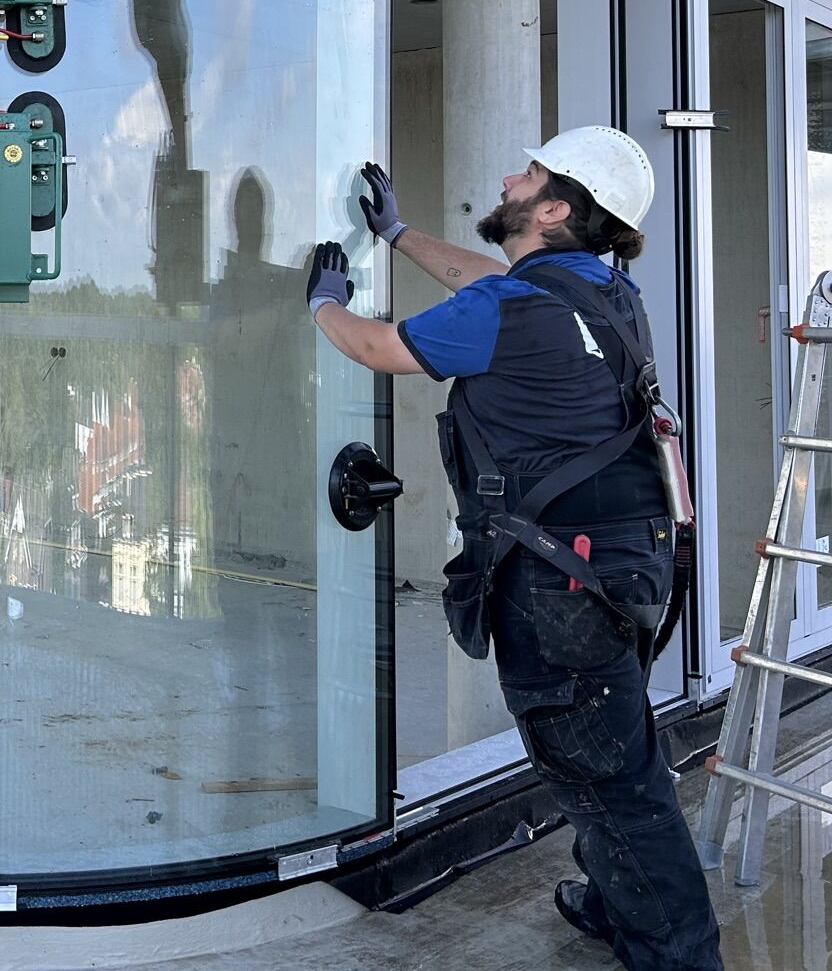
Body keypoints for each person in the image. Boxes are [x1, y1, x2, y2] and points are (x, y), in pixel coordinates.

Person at [305, 128, 722, 971]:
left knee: (610, 779)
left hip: (559, 583)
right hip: (622, 564)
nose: (507, 178)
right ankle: (618, 903)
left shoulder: (511, 312)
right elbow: (488, 281)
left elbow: (377, 347)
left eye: (528, 174)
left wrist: (323, 304)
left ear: (555, 209)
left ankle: (679, 954)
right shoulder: (604, 290)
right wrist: (399, 236)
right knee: (606, 749)